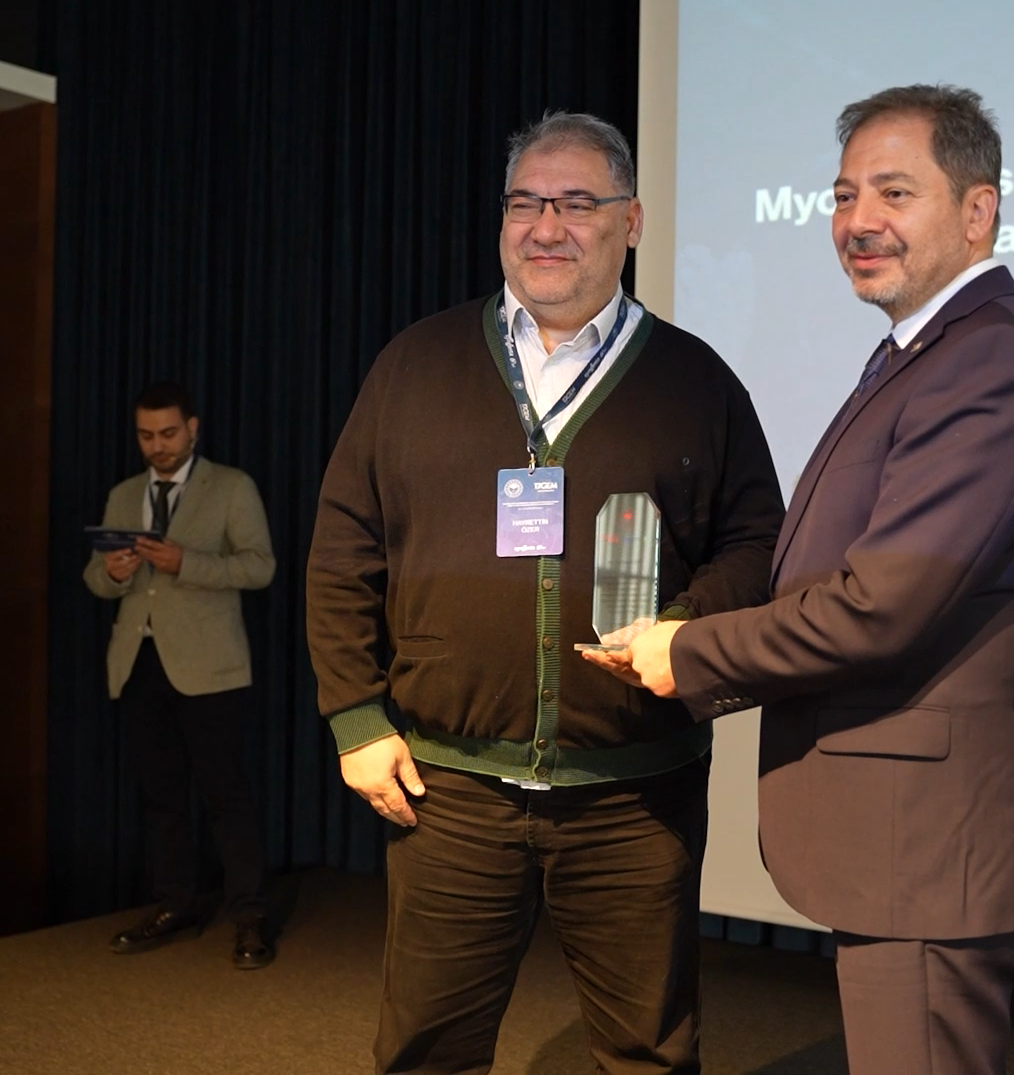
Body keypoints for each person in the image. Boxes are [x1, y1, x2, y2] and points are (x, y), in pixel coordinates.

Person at [591, 85, 1014, 1074]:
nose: (859, 221)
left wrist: (686, 651)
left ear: (979, 210)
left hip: (930, 840)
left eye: (895, 193)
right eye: (843, 195)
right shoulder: (924, 354)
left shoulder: (992, 362)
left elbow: (882, 605)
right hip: (908, 837)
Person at [306, 111, 783, 1074]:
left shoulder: (697, 380)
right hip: (447, 789)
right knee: (426, 1053)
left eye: (576, 203)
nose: (546, 226)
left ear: (631, 222)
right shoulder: (415, 365)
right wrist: (355, 717)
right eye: (525, 202)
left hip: (634, 793)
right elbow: (345, 545)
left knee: (648, 1053)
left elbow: (757, 542)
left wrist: (686, 628)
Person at [82, 381, 277, 969]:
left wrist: (184, 562)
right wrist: (114, 573)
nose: (157, 446)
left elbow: (260, 567)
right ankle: (175, 905)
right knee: (160, 796)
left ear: (192, 429)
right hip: (138, 663)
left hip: (210, 668)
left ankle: (250, 918)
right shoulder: (124, 494)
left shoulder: (232, 486)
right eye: (146, 435)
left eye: (168, 433)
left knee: (226, 796)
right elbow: (94, 579)